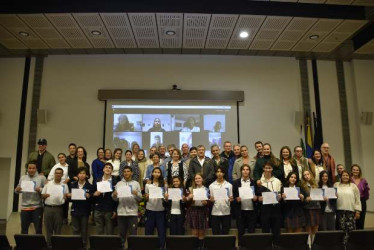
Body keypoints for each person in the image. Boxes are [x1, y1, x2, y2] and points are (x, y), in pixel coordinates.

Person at [113, 166, 142, 246]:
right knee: (121, 235)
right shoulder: (119, 184)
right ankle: (122, 247)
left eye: (128, 171)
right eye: (124, 171)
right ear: (123, 173)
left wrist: (136, 193)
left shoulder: (136, 183)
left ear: (132, 173)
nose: (126, 173)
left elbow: (140, 198)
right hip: (121, 213)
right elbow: (115, 199)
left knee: (133, 235)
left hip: (132, 213)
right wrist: (114, 195)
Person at [15, 161, 46, 234]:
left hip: (37, 207)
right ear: (27, 169)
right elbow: (17, 190)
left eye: (33, 168)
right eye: (29, 168)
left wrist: (40, 190)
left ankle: (38, 245)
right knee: (24, 229)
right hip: (25, 207)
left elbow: (46, 191)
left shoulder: (42, 178)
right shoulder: (23, 177)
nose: (31, 170)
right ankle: (24, 245)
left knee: (38, 230)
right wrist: (17, 189)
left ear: (36, 169)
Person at [41, 168, 69, 246]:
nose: (58, 174)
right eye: (56, 173)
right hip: (48, 208)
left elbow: (66, 196)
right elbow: (42, 195)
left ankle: (57, 246)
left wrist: (65, 197)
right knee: (48, 229)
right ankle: (49, 245)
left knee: (58, 230)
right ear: (54, 174)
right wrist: (44, 196)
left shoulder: (64, 185)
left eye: (60, 173)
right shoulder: (48, 184)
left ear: (62, 175)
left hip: (59, 209)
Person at [67, 167, 94, 247]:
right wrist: (69, 196)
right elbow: (69, 199)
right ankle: (75, 246)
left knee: (84, 230)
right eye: (80, 173)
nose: (82, 175)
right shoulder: (72, 185)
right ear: (77, 175)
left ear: (86, 175)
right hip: (75, 210)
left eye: (83, 173)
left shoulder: (90, 186)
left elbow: (93, 200)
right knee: (75, 230)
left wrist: (90, 196)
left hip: (85, 211)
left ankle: (84, 246)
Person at [256, 161, 282, 241]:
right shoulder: (259, 182)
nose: (268, 170)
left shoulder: (277, 181)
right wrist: (258, 198)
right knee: (265, 232)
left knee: (276, 231)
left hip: (275, 209)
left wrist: (279, 197)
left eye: (269, 168)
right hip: (264, 209)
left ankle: (276, 246)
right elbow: (257, 195)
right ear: (263, 168)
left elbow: (279, 194)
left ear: (272, 169)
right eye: (266, 168)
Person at [233, 164, 257, 246]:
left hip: (252, 210)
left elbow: (258, 195)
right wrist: (236, 199)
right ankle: (241, 247)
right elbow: (233, 197)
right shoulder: (236, 183)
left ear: (250, 171)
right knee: (240, 231)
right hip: (240, 211)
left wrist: (256, 198)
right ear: (241, 171)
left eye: (247, 169)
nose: (245, 171)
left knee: (251, 231)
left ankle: (251, 247)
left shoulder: (254, 182)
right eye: (243, 169)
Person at [334, 170, 361, 243]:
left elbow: (357, 199)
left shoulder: (353, 186)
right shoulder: (336, 185)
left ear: (349, 177)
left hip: (350, 212)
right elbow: (332, 197)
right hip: (339, 212)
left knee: (350, 231)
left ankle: (350, 246)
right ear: (341, 176)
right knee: (340, 231)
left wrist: (357, 211)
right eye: (343, 175)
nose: (345, 177)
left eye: (347, 175)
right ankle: (341, 246)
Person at [186, 173, 210, 250]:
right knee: (194, 232)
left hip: (202, 211)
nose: (197, 180)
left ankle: (201, 247)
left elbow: (209, 203)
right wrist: (189, 199)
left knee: (201, 232)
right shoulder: (190, 189)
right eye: (196, 178)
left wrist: (206, 203)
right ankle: (195, 247)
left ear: (202, 179)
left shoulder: (206, 189)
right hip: (193, 211)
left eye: (199, 178)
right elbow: (186, 203)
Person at [145, 167, 167, 249]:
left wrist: (165, 197)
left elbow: (166, 199)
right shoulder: (148, 184)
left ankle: (161, 247)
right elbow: (146, 198)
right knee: (148, 231)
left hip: (160, 210)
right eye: (155, 172)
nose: (157, 173)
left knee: (161, 232)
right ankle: (149, 247)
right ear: (152, 173)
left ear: (161, 174)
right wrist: (146, 197)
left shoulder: (164, 185)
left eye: (158, 172)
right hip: (150, 209)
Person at [93, 162, 117, 235]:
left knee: (109, 231)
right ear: (103, 169)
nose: (108, 169)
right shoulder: (97, 180)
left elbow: (117, 199)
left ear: (111, 171)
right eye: (106, 167)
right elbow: (92, 194)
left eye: (110, 168)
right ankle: (99, 246)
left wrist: (115, 210)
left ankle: (109, 246)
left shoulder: (115, 182)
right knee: (99, 231)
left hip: (109, 209)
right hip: (98, 209)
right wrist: (94, 194)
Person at [209, 166, 233, 235]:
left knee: (225, 232)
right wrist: (211, 200)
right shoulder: (211, 186)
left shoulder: (229, 185)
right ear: (216, 173)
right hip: (215, 212)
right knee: (215, 233)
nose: (219, 173)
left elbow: (231, 197)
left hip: (226, 211)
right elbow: (211, 199)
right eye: (218, 172)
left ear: (224, 173)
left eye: (221, 172)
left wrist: (231, 199)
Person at [48, 153, 70, 224]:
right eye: (59, 157)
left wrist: (68, 179)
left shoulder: (68, 166)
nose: (61, 158)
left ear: (65, 158)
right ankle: (58, 218)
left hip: (65, 185)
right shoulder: (56, 166)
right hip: (56, 185)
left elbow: (71, 174)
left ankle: (65, 218)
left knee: (65, 201)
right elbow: (50, 177)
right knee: (58, 200)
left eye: (62, 157)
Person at [301, 170, 321, 247]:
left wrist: (323, 197)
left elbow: (320, 196)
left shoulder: (316, 185)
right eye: (304, 175)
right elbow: (301, 200)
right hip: (308, 209)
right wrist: (305, 199)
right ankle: (309, 246)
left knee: (315, 228)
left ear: (311, 175)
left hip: (317, 207)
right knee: (308, 229)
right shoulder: (302, 186)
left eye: (308, 174)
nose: (306, 176)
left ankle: (314, 246)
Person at [351, 164, 369, 229]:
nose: (355, 171)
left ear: (359, 171)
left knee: (361, 222)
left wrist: (362, 200)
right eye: (354, 170)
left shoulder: (363, 180)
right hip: (351, 202)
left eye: (357, 170)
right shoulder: (349, 180)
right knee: (352, 222)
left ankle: (360, 238)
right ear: (351, 171)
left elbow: (366, 194)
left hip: (362, 202)